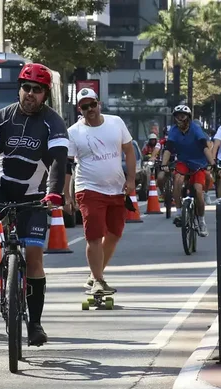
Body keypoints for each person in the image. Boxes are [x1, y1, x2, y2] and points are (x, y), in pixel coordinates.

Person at [0, 62, 69, 347]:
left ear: (45, 94)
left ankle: (34, 324)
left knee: (34, 258)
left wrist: (55, 193)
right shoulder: (0, 118)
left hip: (34, 193)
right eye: (26, 88)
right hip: (1, 184)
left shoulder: (53, 122)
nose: (30, 94)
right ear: (19, 89)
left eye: (37, 90)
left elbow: (59, 161)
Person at [66, 87, 135, 294]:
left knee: (114, 233)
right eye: (84, 107)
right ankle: (98, 280)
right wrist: (66, 195)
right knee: (94, 236)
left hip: (116, 189)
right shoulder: (73, 132)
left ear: (99, 104)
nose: (90, 109)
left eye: (92, 104)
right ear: (80, 109)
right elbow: (67, 164)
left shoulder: (116, 123)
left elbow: (129, 151)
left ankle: (94, 275)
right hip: (89, 189)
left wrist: (131, 179)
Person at [162, 105, 216, 237]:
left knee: (198, 190)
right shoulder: (174, 131)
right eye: (177, 116)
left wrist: (212, 162)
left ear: (188, 118)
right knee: (177, 179)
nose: (179, 119)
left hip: (199, 162)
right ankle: (179, 212)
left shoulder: (196, 129)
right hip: (183, 162)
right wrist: (164, 164)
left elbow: (204, 148)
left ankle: (202, 221)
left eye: (182, 116)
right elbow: (168, 148)